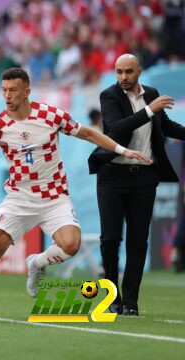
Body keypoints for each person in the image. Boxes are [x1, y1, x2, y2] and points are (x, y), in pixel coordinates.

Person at [0, 67, 152, 322]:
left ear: (27, 92)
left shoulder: (51, 115)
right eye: (4, 91)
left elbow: (88, 133)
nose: (7, 96)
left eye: (12, 90)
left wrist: (123, 149)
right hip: (19, 197)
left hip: (54, 195)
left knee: (71, 245)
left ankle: (36, 262)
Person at [88, 54, 185, 315]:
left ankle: (130, 302)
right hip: (112, 175)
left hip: (144, 177)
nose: (123, 77)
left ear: (139, 72)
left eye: (128, 71)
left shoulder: (151, 93)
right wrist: (150, 109)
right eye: (119, 71)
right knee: (110, 239)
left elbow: (164, 126)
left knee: (138, 241)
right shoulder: (109, 96)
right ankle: (112, 298)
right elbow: (117, 129)